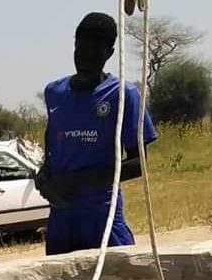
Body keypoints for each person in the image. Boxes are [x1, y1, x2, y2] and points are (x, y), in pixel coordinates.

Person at [36, 12, 158, 255]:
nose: (86, 58)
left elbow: (138, 164)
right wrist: (44, 175)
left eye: (96, 52)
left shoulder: (124, 95)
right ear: (74, 45)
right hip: (62, 219)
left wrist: (79, 180)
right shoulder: (55, 92)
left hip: (102, 217)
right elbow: (52, 143)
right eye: (81, 49)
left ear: (110, 53)